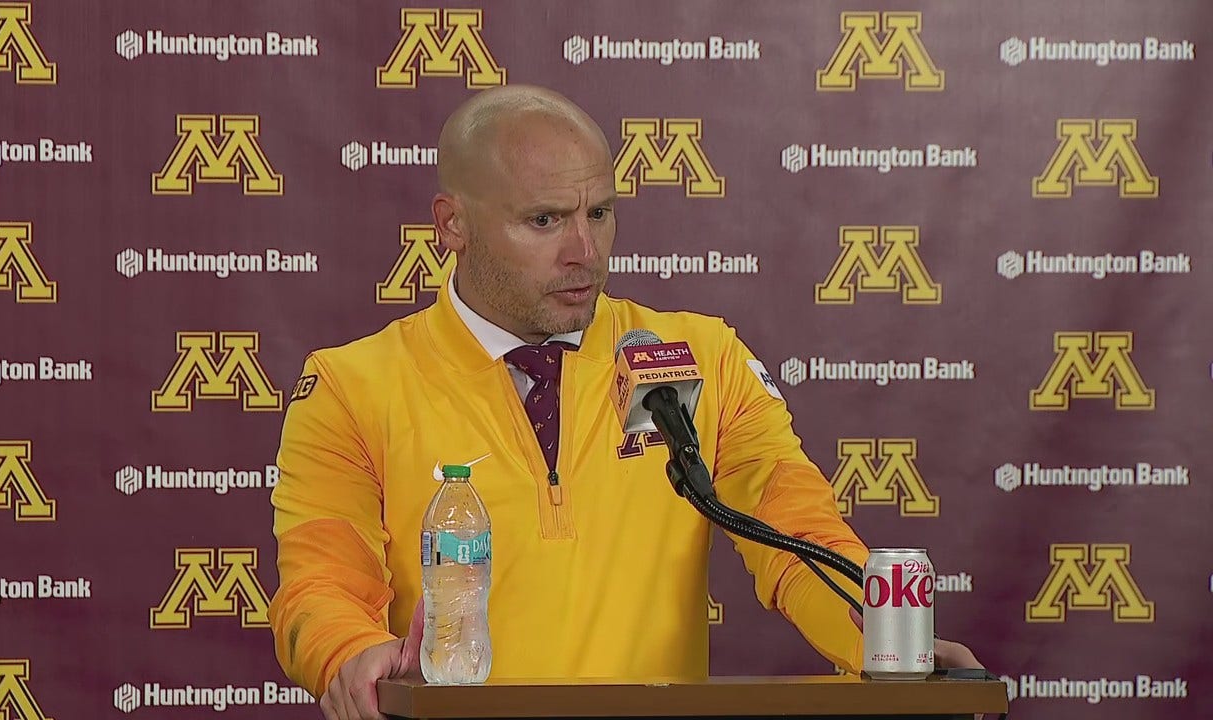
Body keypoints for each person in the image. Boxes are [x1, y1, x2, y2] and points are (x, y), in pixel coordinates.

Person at [269, 84, 982, 720]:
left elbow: (795, 531)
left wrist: (886, 642)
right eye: (544, 220)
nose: (584, 249)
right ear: (452, 223)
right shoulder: (351, 387)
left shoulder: (703, 356)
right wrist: (349, 650)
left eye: (600, 212)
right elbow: (322, 581)